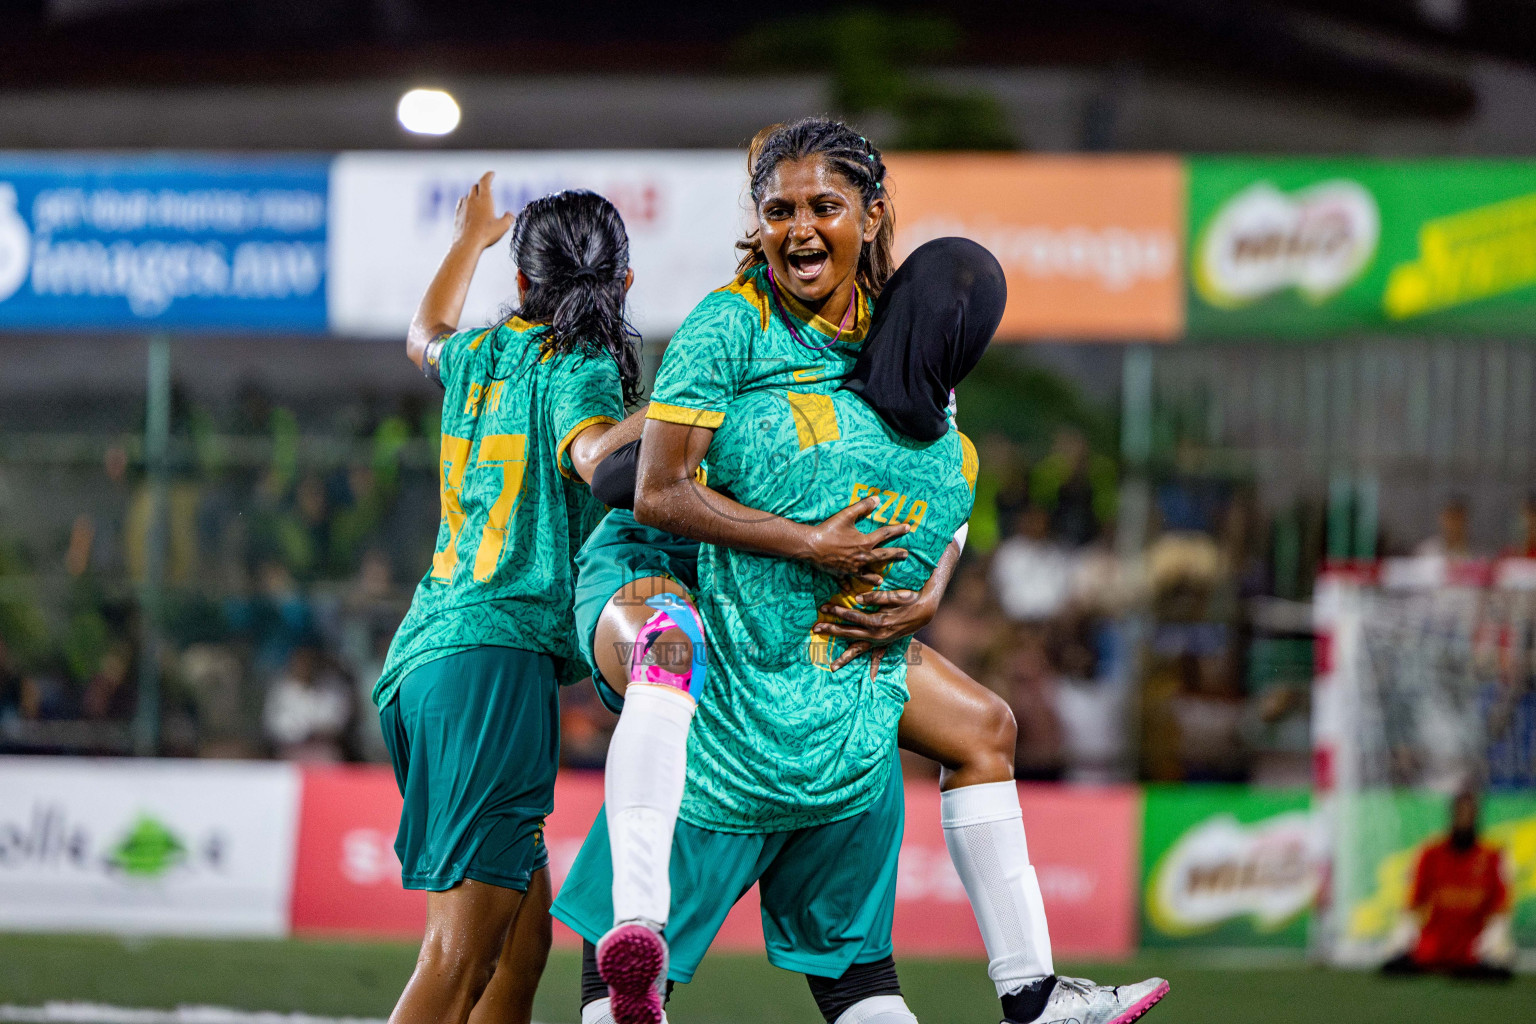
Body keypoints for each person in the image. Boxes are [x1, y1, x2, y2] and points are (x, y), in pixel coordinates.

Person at [585, 197, 1168, 1024]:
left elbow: (619, 477)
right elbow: (642, 492)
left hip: (758, 655)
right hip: (793, 651)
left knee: (969, 730)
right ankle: (1031, 993)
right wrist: (897, 568)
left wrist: (918, 583)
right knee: (963, 745)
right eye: (785, 209)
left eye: (826, 208)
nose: (805, 230)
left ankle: (639, 914)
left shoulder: (786, 400)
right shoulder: (948, 457)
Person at [373, 175, 645, 1024]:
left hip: (428, 662)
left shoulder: (483, 354)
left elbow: (423, 333)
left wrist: (468, 240)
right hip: (492, 667)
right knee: (456, 961)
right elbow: (598, 452)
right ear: (624, 285)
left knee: (520, 950)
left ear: (522, 284)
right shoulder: (584, 366)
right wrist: (692, 404)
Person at [1381, 789, 1513, 980]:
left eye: (1469, 814)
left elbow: (1500, 909)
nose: (1464, 819)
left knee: (1499, 946)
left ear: (1476, 817)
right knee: (1400, 939)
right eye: (1460, 813)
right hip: (1435, 942)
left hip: (1474, 944)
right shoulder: (1430, 854)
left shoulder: (1492, 857)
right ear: (1452, 816)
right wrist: (1403, 939)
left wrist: (1492, 943)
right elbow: (1413, 903)